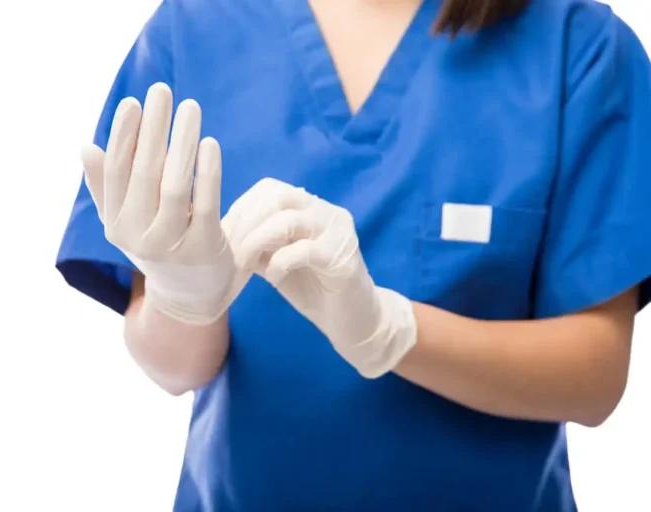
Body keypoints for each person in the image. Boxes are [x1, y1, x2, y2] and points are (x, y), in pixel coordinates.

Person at [56, 0, 651, 510]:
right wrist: (182, 299)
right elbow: (176, 369)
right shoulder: (195, 28)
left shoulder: (579, 46)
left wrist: (389, 331)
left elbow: (594, 378)